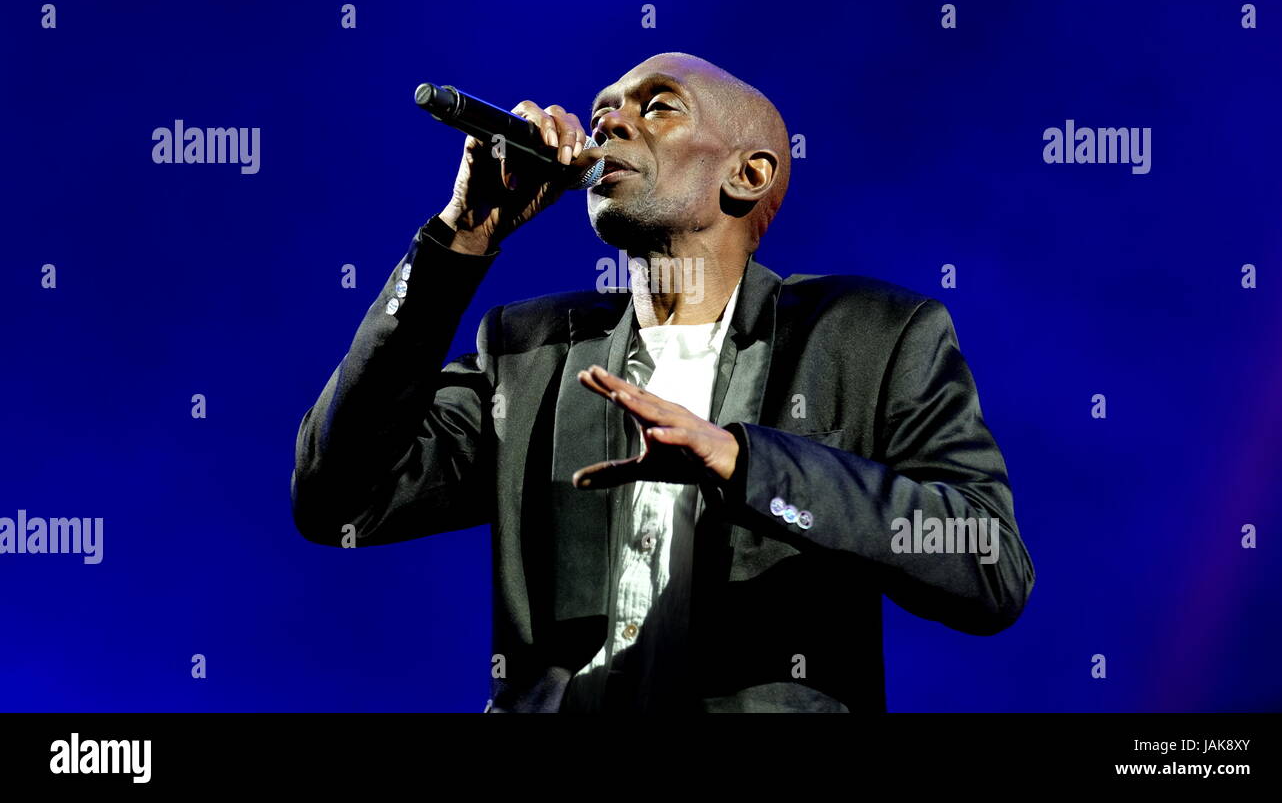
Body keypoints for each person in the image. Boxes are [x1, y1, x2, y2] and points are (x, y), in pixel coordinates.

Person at [291, 51, 1035, 713]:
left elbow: (989, 564)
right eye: (602, 111)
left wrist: (750, 465)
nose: (610, 122)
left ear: (748, 175)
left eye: (657, 105)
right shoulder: (530, 349)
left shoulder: (868, 334)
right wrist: (464, 234)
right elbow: (338, 497)